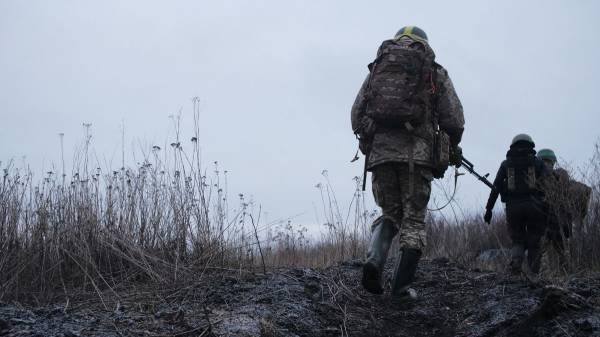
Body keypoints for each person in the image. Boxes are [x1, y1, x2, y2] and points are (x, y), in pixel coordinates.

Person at [351, 26, 465, 297]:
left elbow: (356, 114)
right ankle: (400, 288)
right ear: (423, 44)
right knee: (413, 220)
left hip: (380, 156)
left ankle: (373, 262)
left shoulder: (378, 69)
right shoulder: (434, 72)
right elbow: (454, 120)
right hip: (417, 157)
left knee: (390, 214)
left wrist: (371, 138)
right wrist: (452, 145)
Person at [484, 134, 548, 275]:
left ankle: (516, 265)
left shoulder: (506, 164)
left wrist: (489, 209)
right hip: (535, 207)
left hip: (513, 208)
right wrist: (547, 209)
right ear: (530, 145)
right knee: (534, 242)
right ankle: (534, 275)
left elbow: (496, 188)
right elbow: (548, 187)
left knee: (518, 240)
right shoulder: (538, 163)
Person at [538, 148, 592, 270]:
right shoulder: (565, 180)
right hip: (563, 225)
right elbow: (584, 192)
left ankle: (537, 275)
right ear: (554, 162)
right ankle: (565, 274)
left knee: (538, 253)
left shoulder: (540, 180)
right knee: (562, 252)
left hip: (547, 225)